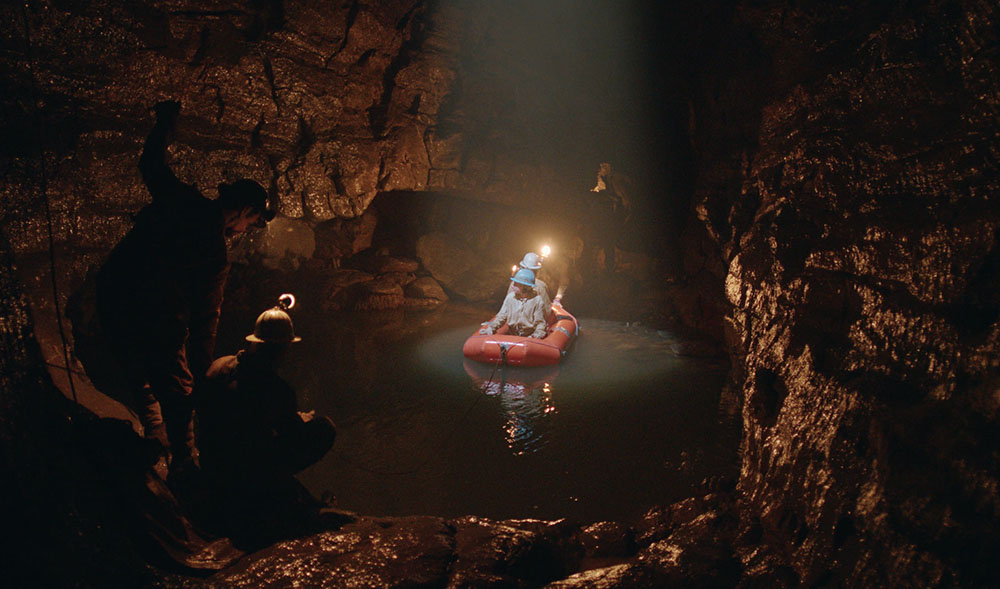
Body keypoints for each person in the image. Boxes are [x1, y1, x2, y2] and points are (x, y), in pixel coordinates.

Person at [95, 99, 273, 476]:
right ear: (243, 211)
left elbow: (151, 165)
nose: (244, 230)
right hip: (157, 316)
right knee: (177, 391)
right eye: (251, 221)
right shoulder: (214, 253)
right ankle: (182, 464)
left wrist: (164, 124)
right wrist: (205, 371)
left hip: (114, 295)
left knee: (138, 374)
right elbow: (205, 318)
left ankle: (152, 439)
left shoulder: (181, 199)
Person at [196, 294, 338, 549]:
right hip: (245, 475)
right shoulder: (277, 390)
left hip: (210, 464)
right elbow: (292, 437)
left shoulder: (218, 366)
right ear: (283, 348)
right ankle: (275, 494)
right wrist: (299, 419)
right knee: (324, 428)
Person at [481, 269, 549, 339]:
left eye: (516, 284)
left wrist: (535, 336)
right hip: (513, 335)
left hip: (529, 336)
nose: (512, 286)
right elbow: (501, 316)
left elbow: (540, 323)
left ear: (525, 287)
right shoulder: (510, 298)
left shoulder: (537, 301)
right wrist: (491, 328)